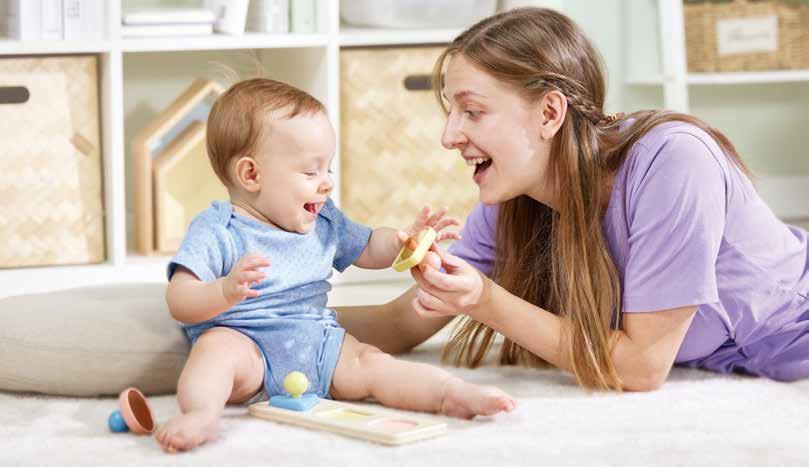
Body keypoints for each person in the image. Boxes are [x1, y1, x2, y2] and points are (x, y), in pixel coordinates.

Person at [335, 7, 809, 393]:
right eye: (451, 112)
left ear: (549, 112)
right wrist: (273, 322)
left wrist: (485, 301)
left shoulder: (674, 160)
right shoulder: (511, 202)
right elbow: (398, 323)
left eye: (472, 111)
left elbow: (640, 368)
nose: (449, 135)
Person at [155, 78, 515, 453]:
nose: (326, 184)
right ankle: (200, 413)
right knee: (214, 351)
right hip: (248, 348)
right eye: (311, 172)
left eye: (328, 169)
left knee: (372, 363)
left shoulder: (324, 220)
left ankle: (449, 394)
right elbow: (179, 298)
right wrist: (224, 290)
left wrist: (404, 240)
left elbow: (368, 247)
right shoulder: (218, 229)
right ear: (251, 175)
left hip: (318, 343)